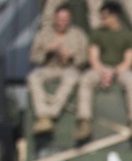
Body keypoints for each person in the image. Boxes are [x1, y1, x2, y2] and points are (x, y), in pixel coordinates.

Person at [76, 1, 132, 142]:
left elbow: (128, 61)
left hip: (120, 70)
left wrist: (114, 72)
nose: (103, 20)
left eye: (105, 16)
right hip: (100, 68)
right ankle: (84, 122)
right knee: (85, 80)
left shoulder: (127, 35)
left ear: (115, 16)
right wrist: (102, 71)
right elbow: (93, 57)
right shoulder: (97, 33)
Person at [27, 3, 89, 135]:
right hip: (49, 67)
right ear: (55, 19)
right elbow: (33, 58)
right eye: (59, 19)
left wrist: (72, 56)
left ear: (70, 19)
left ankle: (51, 113)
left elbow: (84, 59)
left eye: (65, 20)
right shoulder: (44, 34)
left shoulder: (78, 35)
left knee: (71, 78)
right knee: (33, 77)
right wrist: (47, 52)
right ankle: (43, 115)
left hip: (69, 69)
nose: (62, 23)